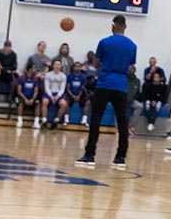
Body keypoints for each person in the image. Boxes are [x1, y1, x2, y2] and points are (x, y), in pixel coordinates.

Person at [77, 15, 137, 169]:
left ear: (113, 26)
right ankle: (120, 157)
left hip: (104, 83)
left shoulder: (104, 42)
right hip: (121, 85)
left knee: (96, 119)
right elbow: (131, 67)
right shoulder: (132, 45)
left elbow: (96, 63)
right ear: (125, 26)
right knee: (122, 121)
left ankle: (90, 155)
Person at [41, 58, 69, 129]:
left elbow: (62, 88)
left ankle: (56, 120)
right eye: (56, 64)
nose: (57, 66)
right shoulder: (48, 75)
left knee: (64, 104)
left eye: (59, 64)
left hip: (58, 93)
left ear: (61, 66)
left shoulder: (63, 76)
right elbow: (47, 87)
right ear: (53, 65)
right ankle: (44, 120)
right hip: (49, 92)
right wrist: (51, 96)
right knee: (45, 101)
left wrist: (57, 96)